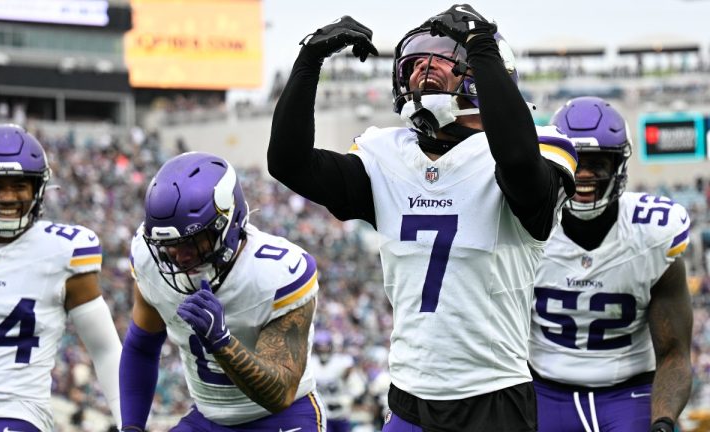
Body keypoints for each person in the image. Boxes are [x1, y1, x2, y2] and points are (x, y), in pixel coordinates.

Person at [267, 4, 578, 431]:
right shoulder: (387, 155)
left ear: (482, 74)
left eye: (443, 59)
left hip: (491, 399)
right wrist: (308, 61)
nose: (423, 69)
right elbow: (288, 162)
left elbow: (519, 161)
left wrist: (481, 40)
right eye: (414, 62)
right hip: (409, 398)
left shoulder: (536, 148)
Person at [120, 152, 325, 431]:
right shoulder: (149, 258)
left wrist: (222, 341)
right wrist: (131, 426)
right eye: (171, 245)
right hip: (208, 418)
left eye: (192, 241)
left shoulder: (277, 271)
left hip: (281, 418)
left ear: (227, 223)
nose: (180, 257)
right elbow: (141, 346)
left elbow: (281, 394)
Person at [0, 124, 122, 432]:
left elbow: (104, 348)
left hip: (20, 414)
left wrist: (127, 422)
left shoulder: (64, 251)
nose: (8, 197)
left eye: (19, 186)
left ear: (37, 189)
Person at [529, 97, 693, 432]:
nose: (585, 175)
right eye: (575, 162)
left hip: (627, 389)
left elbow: (675, 352)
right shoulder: (525, 226)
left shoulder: (653, 232)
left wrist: (662, 422)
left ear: (619, 166)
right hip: (542, 388)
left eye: (598, 164)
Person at [311, 330, 356, 432]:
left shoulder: (341, 362)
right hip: (321, 414)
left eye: (325, 347)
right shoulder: (311, 364)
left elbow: (353, 384)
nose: (323, 350)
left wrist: (344, 401)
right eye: (320, 348)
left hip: (340, 413)